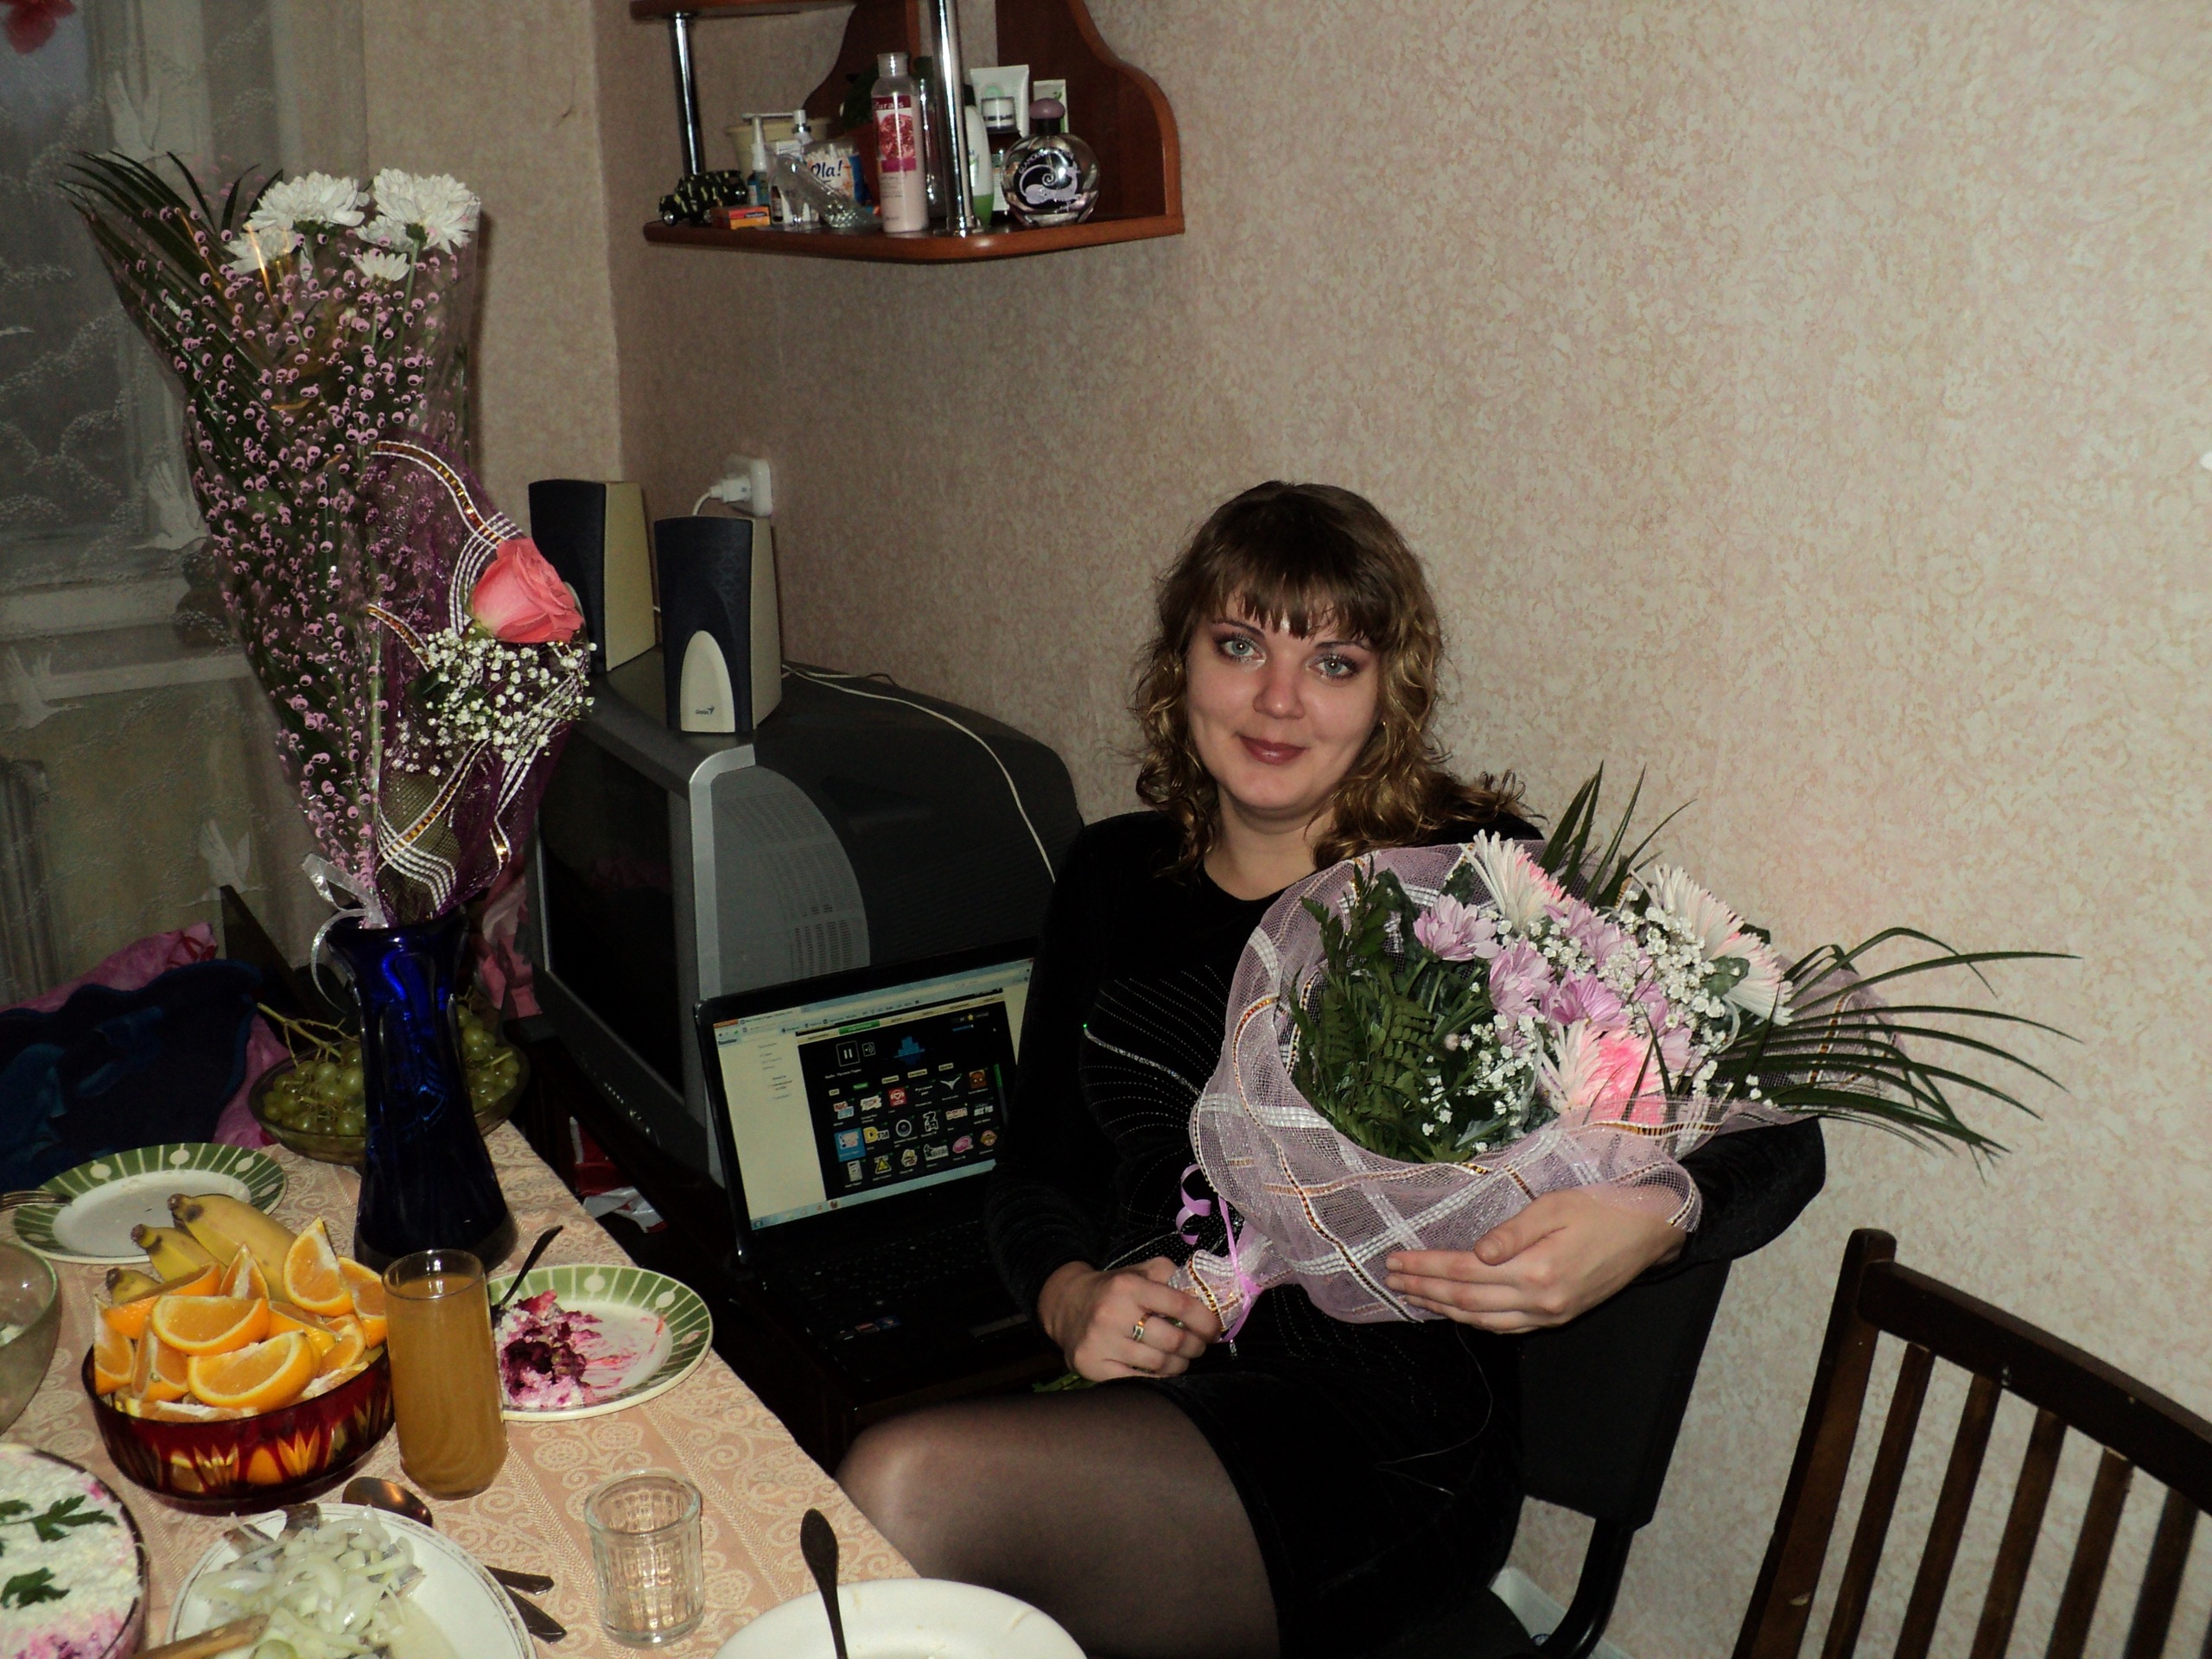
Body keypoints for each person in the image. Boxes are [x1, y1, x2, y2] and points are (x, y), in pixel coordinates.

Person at [836, 482, 1824, 1659]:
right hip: (1164, 1392)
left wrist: (1650, 1222)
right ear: (1180, 663)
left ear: (1388, 694)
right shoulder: (1110, 877)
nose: (1278, 699)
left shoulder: (1470, 890)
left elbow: (1779, 1130)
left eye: (1334, 663)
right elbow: (1035, 1172)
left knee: (905, 1489)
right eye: (1239, 646)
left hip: (1386, 1438)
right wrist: (1071, 1297)